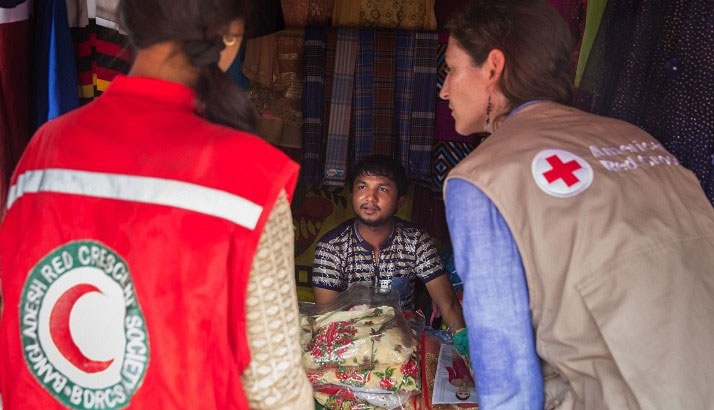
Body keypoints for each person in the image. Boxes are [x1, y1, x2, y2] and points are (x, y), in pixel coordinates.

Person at [0, 0, 313, 408]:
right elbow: (276, 391)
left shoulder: (44, 152)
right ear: (231, 33)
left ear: (129, 21)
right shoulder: (250, 180)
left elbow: (17, 321)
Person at [440, 0, 714, 409]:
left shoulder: (482, 176)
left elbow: (507, 375)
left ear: (493, 68)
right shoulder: (638, 139)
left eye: (451, 69)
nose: (444, 89)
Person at [311, 155, 466, 331]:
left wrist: (464, 347)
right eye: (362, 187)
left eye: (382, 189)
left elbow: (448, 304)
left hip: (404, 343)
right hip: (349, 344)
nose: (370, 197)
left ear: (400, 201)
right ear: (352, 193)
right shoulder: (331, 248)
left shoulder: (415, 241)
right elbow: (327, 321)